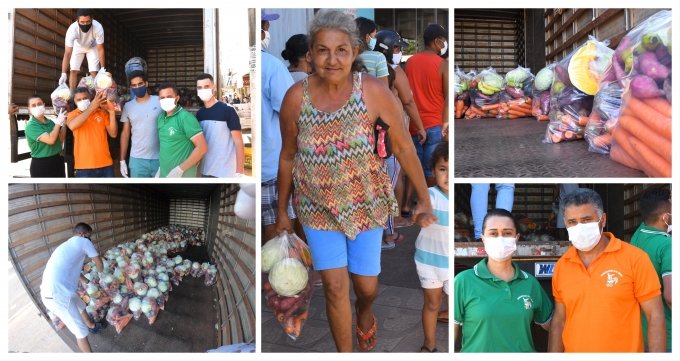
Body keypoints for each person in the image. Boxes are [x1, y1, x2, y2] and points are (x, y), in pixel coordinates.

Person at [274, 10, 436, 352]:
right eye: (322, 50)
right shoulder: (295, 99)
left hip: (366, 203)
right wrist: (283, 212)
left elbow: (404, 147)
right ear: (311, 54)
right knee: (334, 288)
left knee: (366, 286)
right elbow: (287, 156)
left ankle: (365, 311)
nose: (332, 60)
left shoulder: (374, 92)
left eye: (341, 50)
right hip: (317, 208)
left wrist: (425, 198)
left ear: (354, 52)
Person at [548, 188, 666, 352]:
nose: (579, 227)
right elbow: (560, 320)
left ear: (602, 220)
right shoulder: (562, 265)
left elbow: (655, 315)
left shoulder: (635, 259)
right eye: (572, 222)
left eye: (586, 220)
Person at [454, 208, 553, 352]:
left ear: (517, 238)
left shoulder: (530, 283)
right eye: (493, 233)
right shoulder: (463, 281)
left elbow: (553, 325)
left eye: (507, 233)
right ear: (483, 238)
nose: (500, 239)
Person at [40, 223, 105, 352]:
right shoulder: (83, 242)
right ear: (82, 234)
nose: (89, 238)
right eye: (88, 235)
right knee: (81, 333)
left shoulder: (67, 245)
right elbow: (98, 261)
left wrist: (85, 280)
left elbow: (70, 267)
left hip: (57, 290)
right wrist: (101, 276)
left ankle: (92, 325)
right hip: (58, 296)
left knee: (80, 304)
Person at [414, 142, 449, 352]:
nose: (447, 176)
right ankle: (429, 345)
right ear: (433, 170)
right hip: (428, 262)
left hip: (450, 265)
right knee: (432, 304)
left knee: (456, 308)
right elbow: (418, 213)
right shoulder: (430, 195)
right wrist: (422, 217)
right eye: (442, 169)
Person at [405, 23, 449, 186]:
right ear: (437, 41)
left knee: (414, 169)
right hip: (435, 125)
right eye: (444, 40)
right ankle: (431, 204)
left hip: (414, 126)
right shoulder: (442, 64)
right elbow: (447, 98)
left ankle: (411, 206)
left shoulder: (410, 62)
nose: (445, 45)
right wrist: (446, 125)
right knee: (432, 171)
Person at [631, 186, 672, 352]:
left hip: (642, 332)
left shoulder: (638, 235)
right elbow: (671, 297)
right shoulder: (667, 245)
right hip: (668, 337)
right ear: (665, 217)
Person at [261, 48, 296, 242]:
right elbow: (292, 113)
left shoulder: (269, 65)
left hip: (264, 168)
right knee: (275, 229)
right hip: (270, 167)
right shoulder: (270, 65)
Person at [196, 73, 245, 177]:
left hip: (225, 172)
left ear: (213, 87)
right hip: (205, 171)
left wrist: (239, 172)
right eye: (199, 87)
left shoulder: (228, 110)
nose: (203, 90)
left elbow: (239, 142)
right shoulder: (199, 114)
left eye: (206, 86)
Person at [156, 82, 208, 178]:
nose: (165, 100)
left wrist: (179, 170)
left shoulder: (185, 118)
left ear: (177, 98)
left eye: (169, 96)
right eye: (162, 98)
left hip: (183, 176)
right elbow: (166, 145)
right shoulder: (160, 118)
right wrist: (161, 169)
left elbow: (202, 148)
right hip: (164, 175)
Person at [66, 87, 117, 177]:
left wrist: (112, 112)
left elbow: (113, 134)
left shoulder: (102, 113)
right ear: (74, 101)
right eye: (79, 99)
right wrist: (91, 108)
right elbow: (72, 125)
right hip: (84, 167)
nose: (82, 101)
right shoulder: (72, 115)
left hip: (106, 164)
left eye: (85, 98)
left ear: (90, 98)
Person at [119, 71, 161, 178]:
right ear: (131, 87)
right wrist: (122, 160)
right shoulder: (128, 106)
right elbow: (125, 134)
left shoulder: (159, 101)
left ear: (146, 83)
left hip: (160, 158)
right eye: (134, 85)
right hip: (137, 160)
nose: (137, 87)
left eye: (140, 84)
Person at [60, 9, 105, 91]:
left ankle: (98, 95)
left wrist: (102, 68)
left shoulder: (98, 27)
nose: (85, 24)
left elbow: (100, 49)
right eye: (82, 22)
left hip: (92, 46)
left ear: (92, 19)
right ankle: (72, 96)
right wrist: (63, 73)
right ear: (77, 20)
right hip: (78, 46)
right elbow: (67, 53)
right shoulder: (72, 29)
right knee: (73, 70)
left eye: (88, 21)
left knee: (94, 72)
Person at [24, 95, 67, 177]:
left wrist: (64, 123)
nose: (37, 107)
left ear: (43, 105)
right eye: (33, 105)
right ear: (29, 109)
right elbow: (51, 140)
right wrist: (58, 123)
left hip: (57, 161)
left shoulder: (50, 122)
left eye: (39, 104)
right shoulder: (31, 125)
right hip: (42, 164)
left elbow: (60, 140)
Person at [354, 17, 389, 86]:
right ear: (367, 37)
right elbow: (384, 88)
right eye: (374, 36)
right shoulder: (378, 57)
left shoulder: (347, 56)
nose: (375, 39)